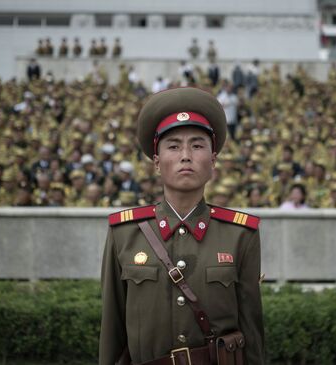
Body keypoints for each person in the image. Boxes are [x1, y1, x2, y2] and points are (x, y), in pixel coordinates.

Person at [100, 87, 264, 365]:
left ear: (213, 161)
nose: (185, 155)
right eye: (173, 146)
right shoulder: (124, 234)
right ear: (156, 162)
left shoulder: (240, 235)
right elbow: (112, 332)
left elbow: (252, 334)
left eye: (197, 145)